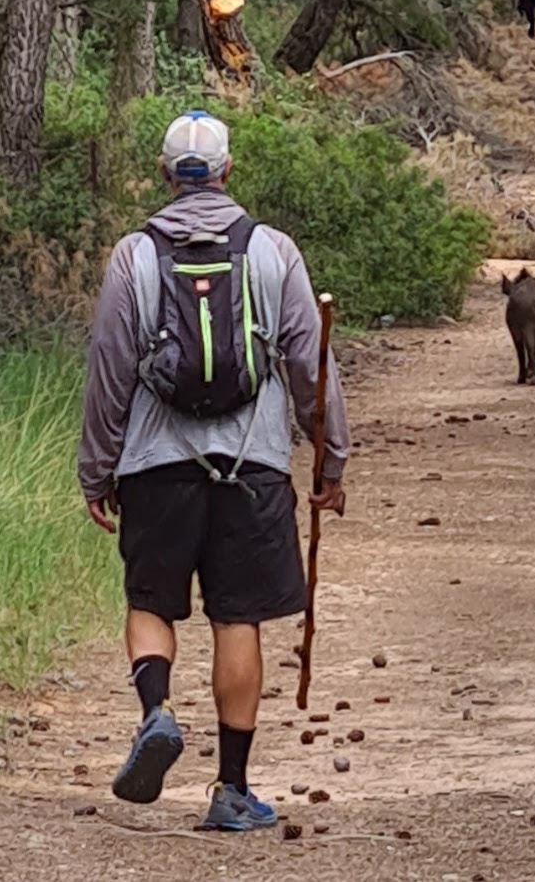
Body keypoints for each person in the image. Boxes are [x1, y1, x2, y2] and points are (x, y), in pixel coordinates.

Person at [78, 110, 351, 832]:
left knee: (150, 603)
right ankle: (231, 790)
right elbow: (309, 364)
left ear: (166, 175)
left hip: (154, 469)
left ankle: (157, 712)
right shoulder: (272, 251)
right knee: (238, 618)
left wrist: (96, 471)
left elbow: (108, 373)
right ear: (228, 171)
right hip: (252, 467)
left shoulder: (132, 258)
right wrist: (329, 457)